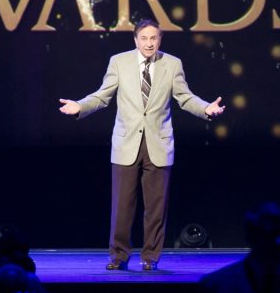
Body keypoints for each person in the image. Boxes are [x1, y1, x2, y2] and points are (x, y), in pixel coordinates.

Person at [57, 18, 225, 271]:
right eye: (144, 38)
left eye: (153, 38)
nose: (149, 43)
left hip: (158, 144)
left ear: (160, 40)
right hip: (126, 143)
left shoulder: (172, 64)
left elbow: (184, 97)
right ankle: (119, 256)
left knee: (156, 207)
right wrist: (80, 106)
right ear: (135, 40)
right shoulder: (119, 62)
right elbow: (103, 96)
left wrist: (205, 109)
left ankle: (150, 257)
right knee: (122, 206)